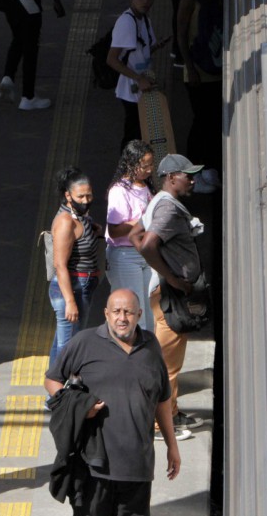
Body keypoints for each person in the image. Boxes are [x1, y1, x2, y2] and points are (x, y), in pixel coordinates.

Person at [45, 289, 181, 516]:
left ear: (138, 316)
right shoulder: (85, 343)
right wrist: (78, 405)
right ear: (106, 313)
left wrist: (172, 445)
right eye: (116, 312)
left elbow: (162, 399)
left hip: (137, 465)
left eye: (129, 313)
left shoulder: (150, 347)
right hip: (94, 464)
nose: (122, 318)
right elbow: (53, 380)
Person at [137, 154, 207, 440]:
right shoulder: (166, 209)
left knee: (172, 361)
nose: (192, 179)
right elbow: (147, 246)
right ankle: (158, 424)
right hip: (170, 296)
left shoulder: (160, 203)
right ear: (170, 177)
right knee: (167, 364)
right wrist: (173, 279)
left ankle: (172, 412)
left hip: (169, 294)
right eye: (187, 175)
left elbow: (137, 234)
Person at [0, 0, 66, 111]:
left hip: (6, 2)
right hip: (28, 2)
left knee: (18, 37)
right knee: (31, 49)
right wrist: (56, 0)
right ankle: (28, 96)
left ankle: (8, 76)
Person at [175, 0, 226, 189]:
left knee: (211, 122)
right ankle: (193, 171)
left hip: (214, 71)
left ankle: (209, 169)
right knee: (200, 123)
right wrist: (190, 67)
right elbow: (181, 35)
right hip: (197, 73)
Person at [106, 0, 168, 147]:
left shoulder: (144, 20)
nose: (145, 1)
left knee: (140, 133)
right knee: (133, 135)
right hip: (131, 89)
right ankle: (126, 170)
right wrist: (138, 79)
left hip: (143, 86)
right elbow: (112, 59)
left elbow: (137, 52)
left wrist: (155, 47)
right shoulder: (127, 22)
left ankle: (135, 170)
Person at [49, 167, 100, 367]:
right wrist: (70, 302)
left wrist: (94, 230)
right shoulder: (65, 221)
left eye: (89, 195)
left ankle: (54, 395)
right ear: (67, 195)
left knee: (63, 343)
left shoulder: (81, 215)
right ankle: (59, 395)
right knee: (69, 346)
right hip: (72, 287)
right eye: (81, 196)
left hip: (82, 285)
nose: (86, 200)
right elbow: (60, 265)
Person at [105, 141, 157, 331]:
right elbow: (114, 230)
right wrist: (142, 222)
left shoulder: (145, 186)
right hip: (125, 256)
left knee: (148, 310)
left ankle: (146, 352)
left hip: (146, 253)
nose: (150, 170)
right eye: (145, 166)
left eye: (152, 164)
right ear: (131, 164)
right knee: (132, 312)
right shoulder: (119, 190)